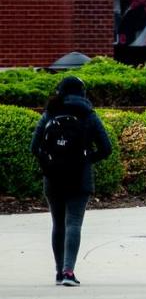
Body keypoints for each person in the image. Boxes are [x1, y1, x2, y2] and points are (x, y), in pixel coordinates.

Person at [30, 77, 113, 286]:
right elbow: (106, 148)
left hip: (53, 177)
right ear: (83, 93)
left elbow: (34, 147)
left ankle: (58, 272)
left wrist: (49, 163)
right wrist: (85, 160)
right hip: (79, 177)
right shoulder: (89, 115)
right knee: (73, 223)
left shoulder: (50, 112)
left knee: (58, 224)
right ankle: (69, 271)